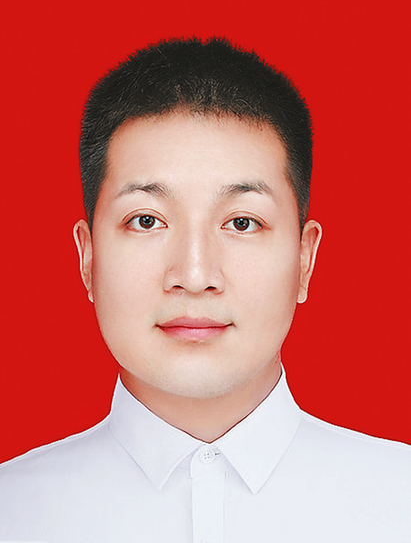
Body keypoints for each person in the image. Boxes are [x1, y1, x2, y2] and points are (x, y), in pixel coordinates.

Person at [0, 38, 409, 542]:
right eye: (146, 220)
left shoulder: (400, 501)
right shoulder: (11, 511)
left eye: (242, 222)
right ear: (87, 258)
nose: (194, 276)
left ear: (305, 259)